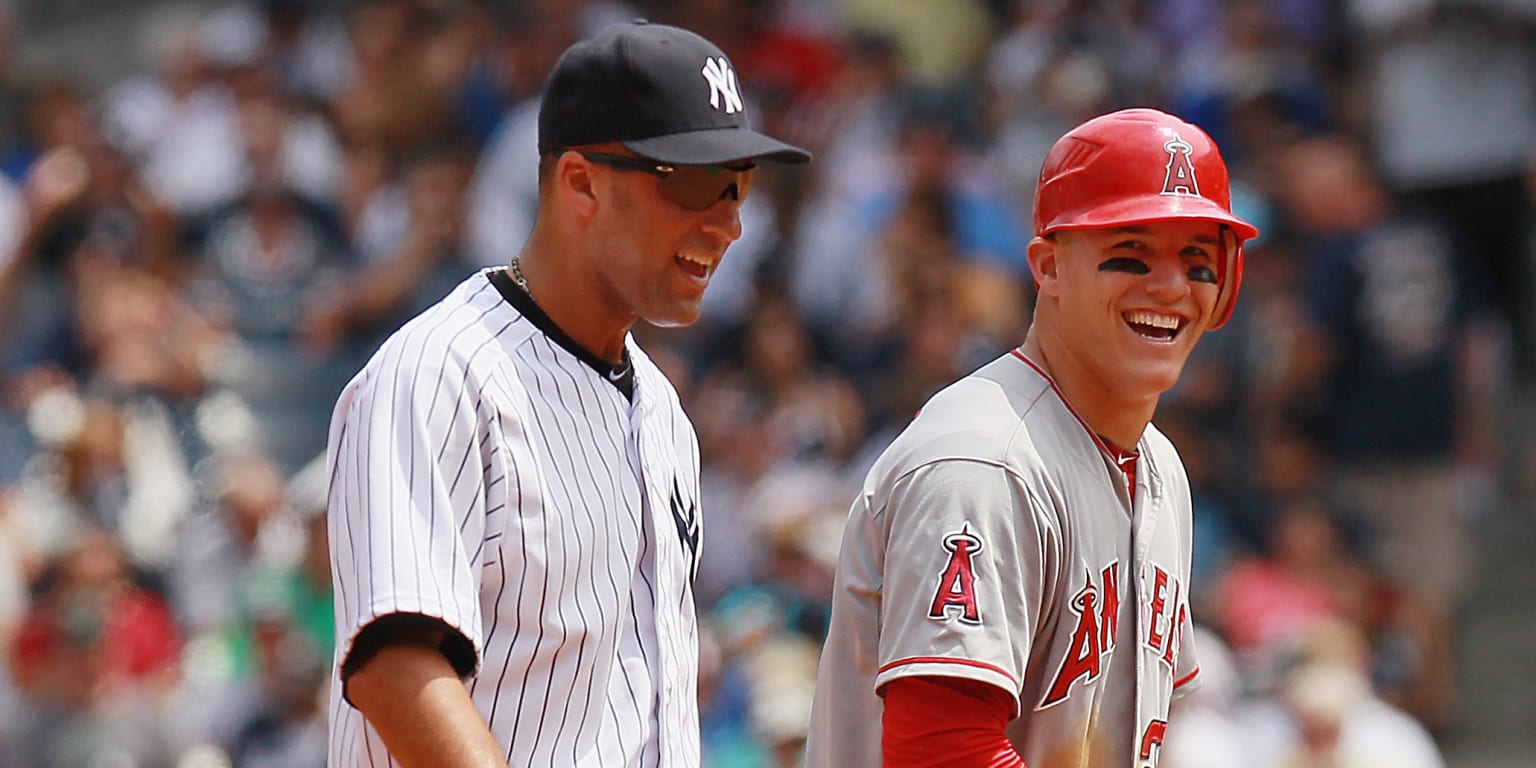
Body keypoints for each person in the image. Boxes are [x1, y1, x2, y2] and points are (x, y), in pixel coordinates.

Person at [323, 21, 809, 768]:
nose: (729, 222)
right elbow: (397, 670)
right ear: (581, 182)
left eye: (739, 184)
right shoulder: (438, 374)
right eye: (695, 183)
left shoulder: (664, 415)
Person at [804, 107, 1258, 767]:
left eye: (1197, 261)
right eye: (1129, 254)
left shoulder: (1160, 465)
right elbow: (941, 750)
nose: (1170, 286)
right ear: (1047, 268)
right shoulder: (983, 462)